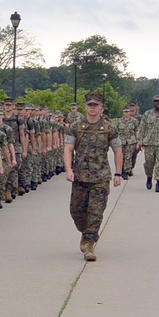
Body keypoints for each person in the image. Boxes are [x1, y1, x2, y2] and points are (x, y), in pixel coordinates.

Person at [64, 92, 122, 261]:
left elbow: (118, 150)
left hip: (100, 178)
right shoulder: (76, 127)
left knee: (95, 213)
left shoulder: (109, 128)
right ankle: (86, 232)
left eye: (96, 105)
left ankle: (89, 245)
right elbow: (68, 149)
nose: (93, 108)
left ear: (101, 108)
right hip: (80, 177)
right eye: (90, 105)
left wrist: (118, 173)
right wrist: (69, 169)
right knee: (76, 211)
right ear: (85, 107)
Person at [135, 95, 159, 193]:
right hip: (149, 144)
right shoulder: (147, 114)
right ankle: (149, 177)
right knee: (149, 164)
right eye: (156, 101)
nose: (157, 103)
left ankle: (158, 183)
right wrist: (140, 141)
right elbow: (142, 128)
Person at [114, 106, 137, 180]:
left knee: (128, 156)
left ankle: (126, 172)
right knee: (121, 156)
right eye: (125, 112)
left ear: (130, 112)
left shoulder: (134, 121)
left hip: (131, 141)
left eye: (128, 112)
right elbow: (115, 132)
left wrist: (138, 141)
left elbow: (136, 131)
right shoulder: (119, 121)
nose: (126, 113)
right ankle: (121, 170)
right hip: (121, 141)